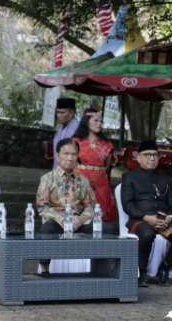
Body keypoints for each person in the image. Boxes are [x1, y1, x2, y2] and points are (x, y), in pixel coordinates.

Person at [36, 138, 115, 273]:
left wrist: (81, 219)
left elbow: (92, 207)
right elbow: (42, 208)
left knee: (107, 229)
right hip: (58, 222)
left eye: (73, 154)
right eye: (66, 154)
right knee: (46, 229)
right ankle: (45, 271)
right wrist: (62, 219)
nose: (70, 158)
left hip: (79, 222)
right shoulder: (47, 179)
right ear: (57, 156)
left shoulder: (82, 180)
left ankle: (102, 272)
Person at [122, 140, 172, 287]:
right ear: (138, 158)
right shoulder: (129, 177)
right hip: (140, 220)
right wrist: (146, 217)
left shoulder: (165, 179)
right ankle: (141, 271)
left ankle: (165, 268)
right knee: (147, 234)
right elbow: (127, 205)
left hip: (163, 222)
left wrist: (169, 219)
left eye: (155, 155)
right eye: (148, 155)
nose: (152, 158)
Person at [72, 109, 116, 224]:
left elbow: (106, 167)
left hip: (101, 184)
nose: (99, 124)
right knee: (79, 215)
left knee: (100, 215)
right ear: (86, 121)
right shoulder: (74, 142)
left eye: (101, 121)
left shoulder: (107, 144)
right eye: (96, 120)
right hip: (79, 182)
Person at [52, 98, 80, 170]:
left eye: (62, 113)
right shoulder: (61, 128)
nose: (58, 115)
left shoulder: (77, 129)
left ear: (71, 113)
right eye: (57, 112)